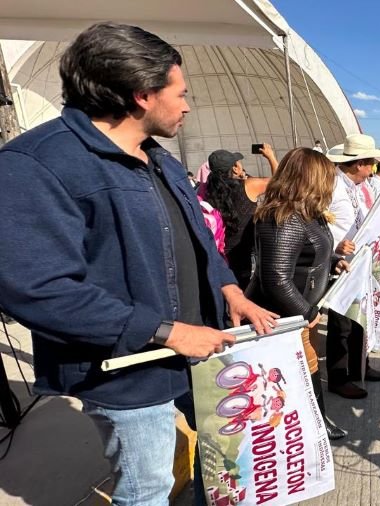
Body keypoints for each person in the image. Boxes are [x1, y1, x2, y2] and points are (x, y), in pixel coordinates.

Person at [0, 22, 277, 504]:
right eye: (181, 92)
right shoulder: (36, 163)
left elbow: (200, 242)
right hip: (128, 372)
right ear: (143, 94)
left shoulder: (162, 160)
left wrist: (230, 291)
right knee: (147, 490)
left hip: (201, 352)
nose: (188, 105)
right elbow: (36, 288)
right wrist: (168, 331)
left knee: (219, 461)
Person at [245, 148, 349, 440]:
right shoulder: (285, 217)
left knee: (307, 367)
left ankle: (314, 423)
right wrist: (308, 314)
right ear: (311, 179)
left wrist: (332, 261)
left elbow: (309, 253)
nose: (331, 185)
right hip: (284, 316)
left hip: (299, 312)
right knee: (303, 370)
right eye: (327, 178)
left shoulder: (308, 213)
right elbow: (276, 279)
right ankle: (314, 427)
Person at [325, 134, 380, 399]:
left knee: (358, 320)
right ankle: (338, 377)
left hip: (361, 264)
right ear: (358, 163)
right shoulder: (331, 186)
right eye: (370, 164)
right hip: (340, 265)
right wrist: (336, 246)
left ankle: (359, 368)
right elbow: (319, 224)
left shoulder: (360, 188)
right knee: (341, 323)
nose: (372, 170)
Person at [204, 144, 278, 289]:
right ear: (235, 168)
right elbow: (280, 183)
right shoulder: (248, 186)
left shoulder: (207, 189)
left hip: (218, 257)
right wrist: (270, 156)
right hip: (241, 255)